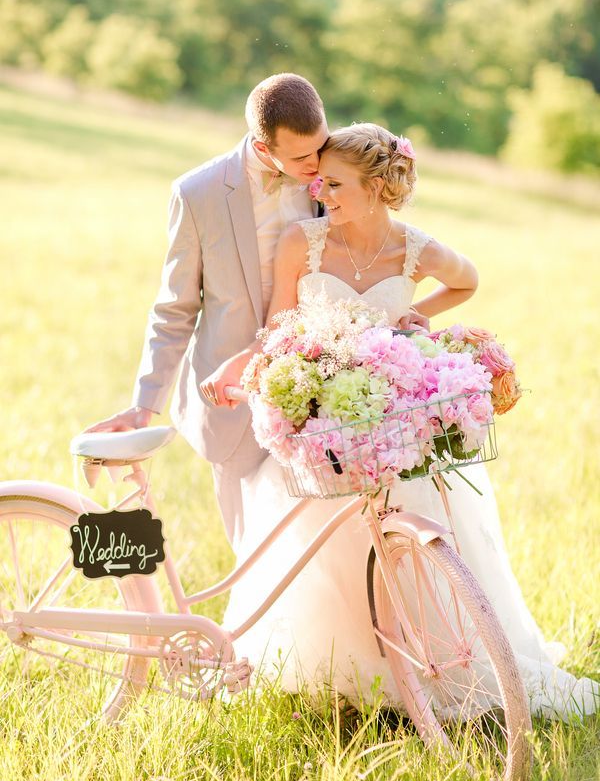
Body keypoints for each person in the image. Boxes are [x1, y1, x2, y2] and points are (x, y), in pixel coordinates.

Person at [221, 123, 599, 720]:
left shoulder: (413, 247)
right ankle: (354, 675)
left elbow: (467, 278)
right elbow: (278, 327)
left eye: (336, 182)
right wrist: (248, 373)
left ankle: (439, 666)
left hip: (395, 428)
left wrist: (414, 316)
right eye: (319, 180)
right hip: (330, 430)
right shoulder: (304, 242)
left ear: (376, 186)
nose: (323, 191)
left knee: (422, 541)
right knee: (329, 550)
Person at [86, 73, 338, 551]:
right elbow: (175, 308)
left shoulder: (332, 167)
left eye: (320, 147)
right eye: (302, 157)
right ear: (264, 149)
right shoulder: (197, 193)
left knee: (317, 546)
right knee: (250, 546)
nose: (317, 164)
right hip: (230, 397)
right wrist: (145, 404)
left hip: (316, 388)